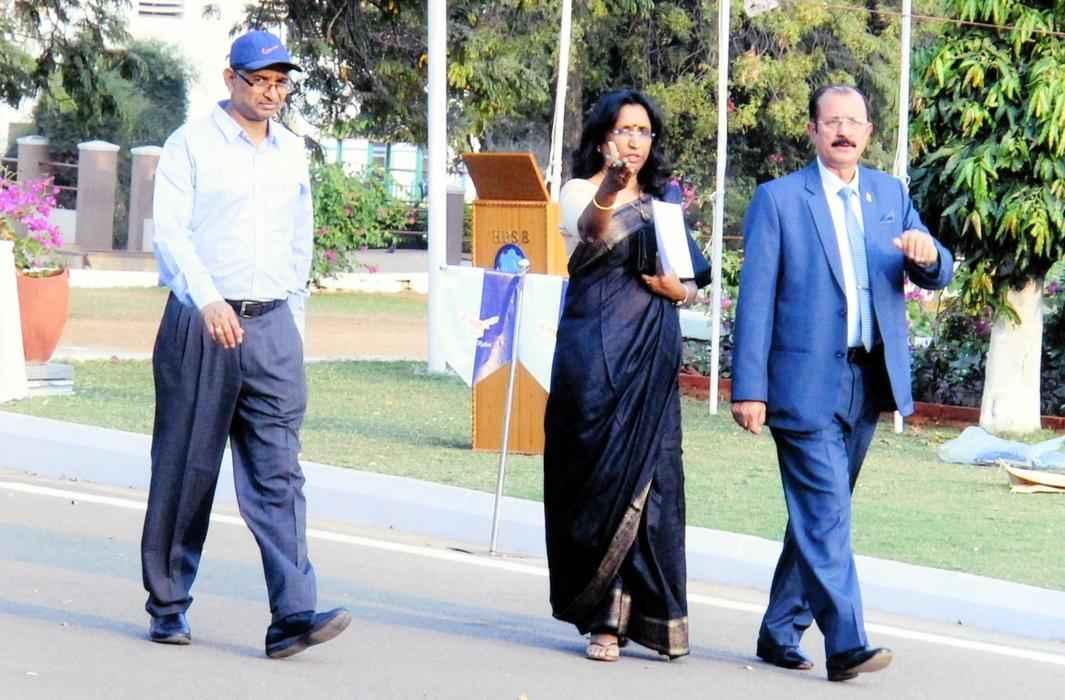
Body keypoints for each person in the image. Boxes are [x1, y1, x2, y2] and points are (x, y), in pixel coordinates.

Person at [731, 85, 953, 681]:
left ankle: (780, 628)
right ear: (813, 131)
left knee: (820, 511)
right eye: (832, 121)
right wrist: (748, 387)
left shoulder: (890, 194)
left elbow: (936, 267)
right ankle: (848, 643)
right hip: (802, 383)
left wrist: (928, 255)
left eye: (854, 122)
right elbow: (755, 300)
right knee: (826, 511)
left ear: (869, 133)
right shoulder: (780, 200)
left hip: (867, 379)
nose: (844, 131)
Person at [140, 29, 351, 659]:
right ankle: (168, 604)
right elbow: (171, 234)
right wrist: (207, 299)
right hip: (202, 320)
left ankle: (292, 614)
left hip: (272, 326)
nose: (270, 93)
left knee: (280, 472)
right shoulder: (190, 144)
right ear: (230, 78)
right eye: (259, 80)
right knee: (187, 468)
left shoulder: (291, 151)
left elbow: (299, 239)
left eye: (280, 83)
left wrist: (293, 322)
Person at [544, 89, 711, 663]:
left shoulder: (663, 205)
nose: (634, 141)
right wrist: (611, 189)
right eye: (624, 129)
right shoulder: (579, 191)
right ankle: (603, 621)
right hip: (594, 359)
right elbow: (592, 231)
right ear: (602, 138)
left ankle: (654, 621)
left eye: (643, 131)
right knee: (599, 482)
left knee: (655, 485)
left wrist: (677, 290)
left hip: (651, 359)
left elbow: (690, 281)